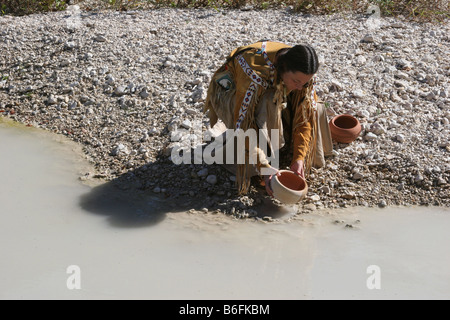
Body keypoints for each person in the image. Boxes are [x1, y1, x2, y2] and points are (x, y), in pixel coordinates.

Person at [204, 41, 333, 196]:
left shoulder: (302, 75)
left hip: (275, 85)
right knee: (269, 102)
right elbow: (244, 124)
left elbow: (304, 119)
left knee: (315, 107)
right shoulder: (254, 74)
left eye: (303, 82)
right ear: (283, 68)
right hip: (230, 92)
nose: (300, 86)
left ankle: (284, 147)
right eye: (296, 82)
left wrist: (299, 158)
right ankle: (258, 164)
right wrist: (262, 164)